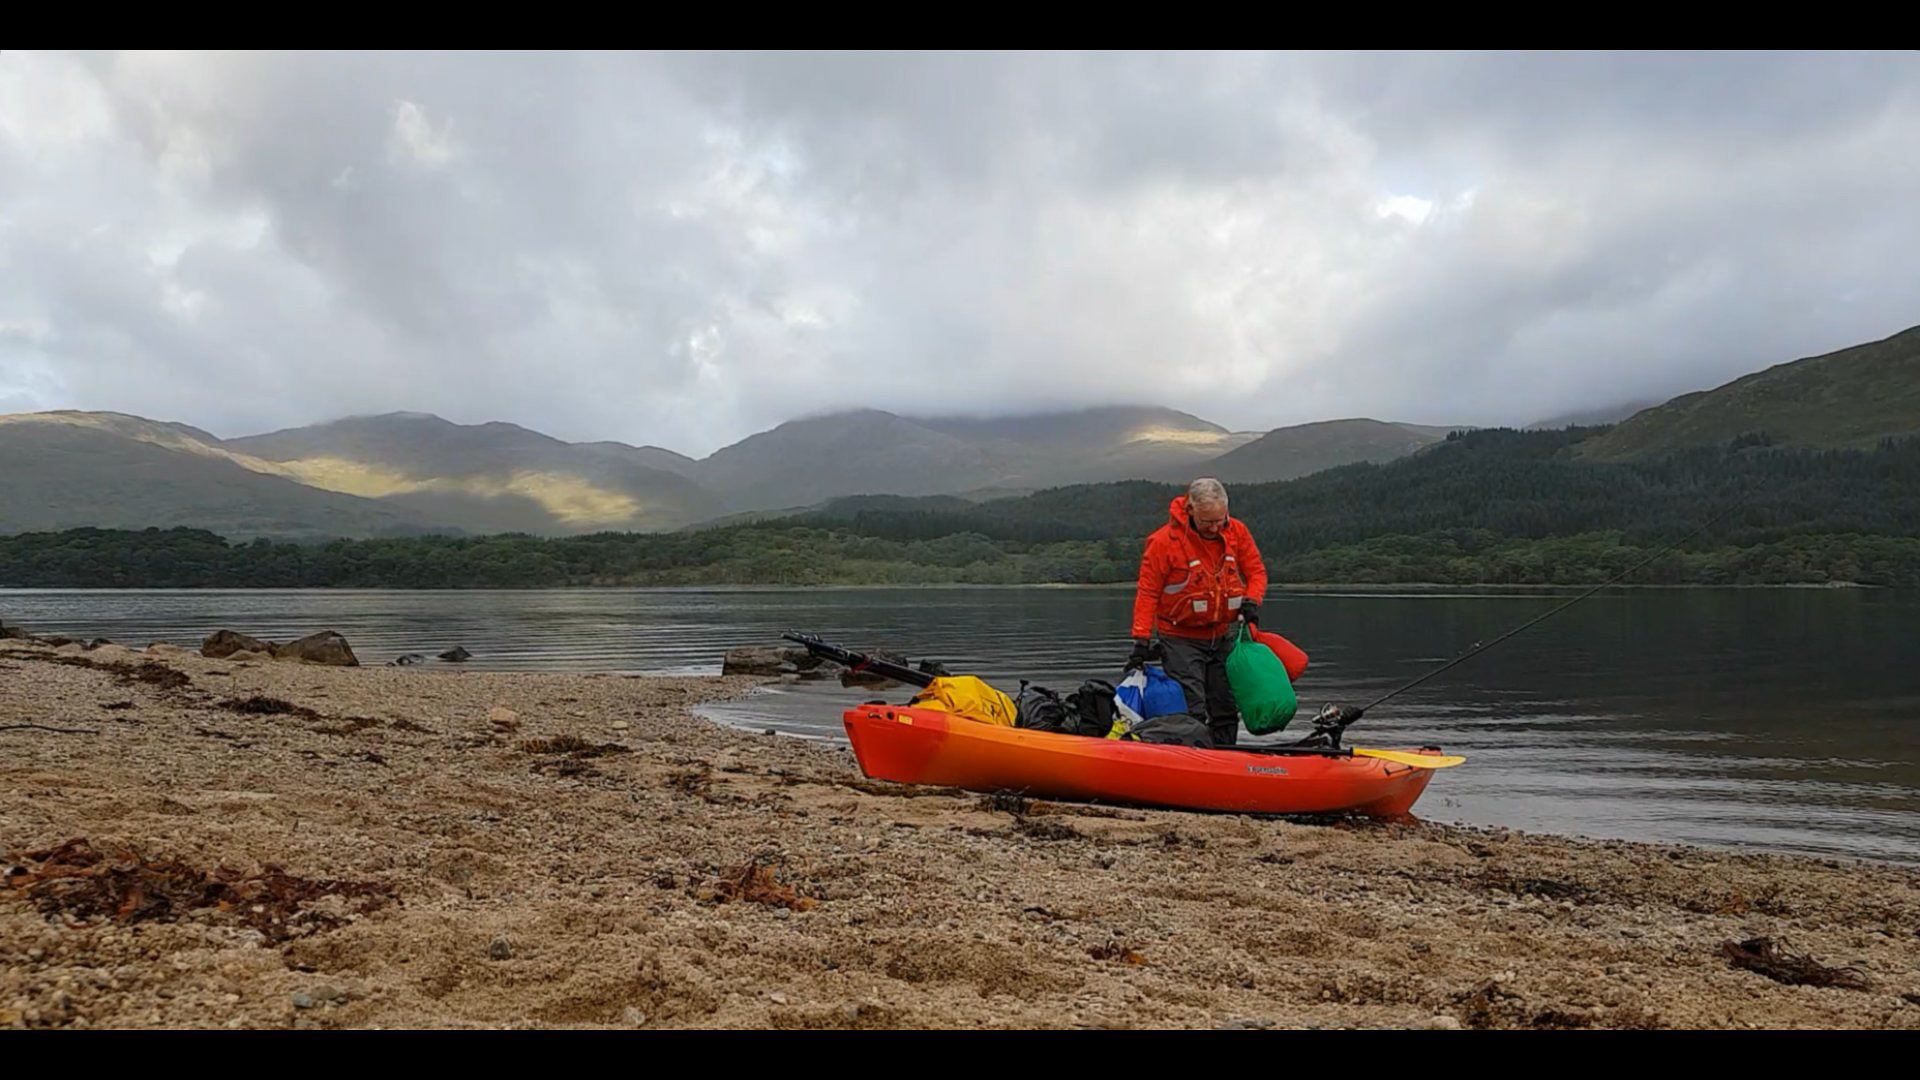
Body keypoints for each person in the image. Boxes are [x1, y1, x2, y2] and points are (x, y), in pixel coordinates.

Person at [1128, 478, 1268, 746]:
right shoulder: (1162, 542)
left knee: (1225, 705)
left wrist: (1252, 600)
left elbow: (1256, 572)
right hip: (1180, 638)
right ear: (1190, 510)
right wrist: (1141, 639)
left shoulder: (1236, 531)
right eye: (1208, 522)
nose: (1216, 528)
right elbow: (1148, 592)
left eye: (1220, 520)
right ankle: (1194, 761)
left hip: (1224, 634)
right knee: (1192, 706)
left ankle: (1225, 758)